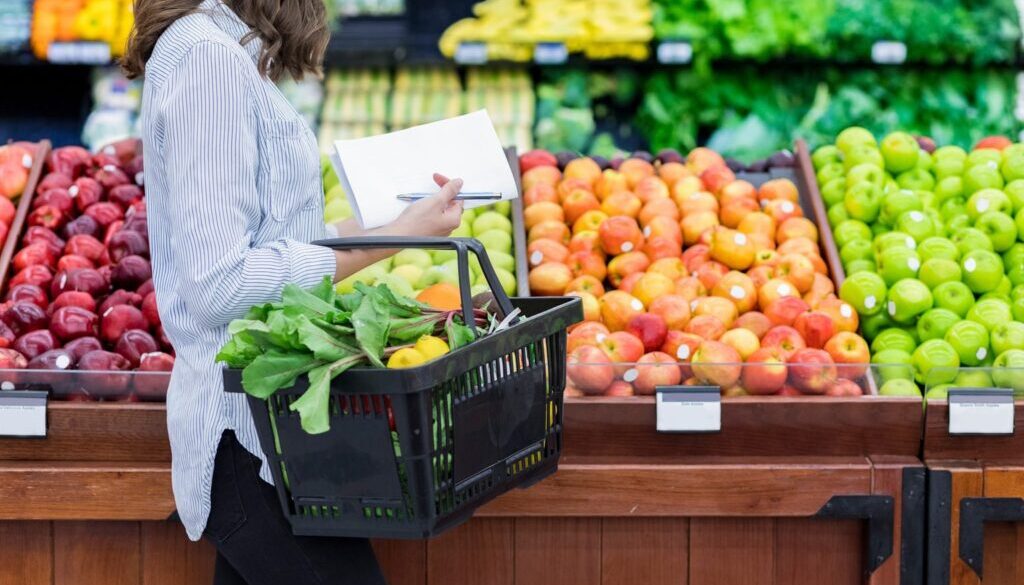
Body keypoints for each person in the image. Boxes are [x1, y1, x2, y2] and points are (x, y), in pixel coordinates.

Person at [123, 1, 464, 583]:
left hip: (276, 430)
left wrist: (397, 225)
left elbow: (272, 244)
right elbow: (218, 283)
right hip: (245, 436)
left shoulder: (220, 50)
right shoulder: (208, 59)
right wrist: (393, 241)